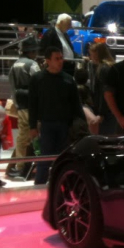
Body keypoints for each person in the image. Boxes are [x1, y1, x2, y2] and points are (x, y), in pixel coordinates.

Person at [28, 47, 85, 185]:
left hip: (65, 125)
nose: (60, 61)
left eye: (61, 58)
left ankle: (65, 186)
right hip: (46, 124)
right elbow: (32, 104)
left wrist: (82, 125)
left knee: (64, 159)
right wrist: (32, 126)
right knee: (44, 158)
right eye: (57, 59)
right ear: (48, 61)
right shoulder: (38, 79)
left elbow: (76, 104)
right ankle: (39, 187)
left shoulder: (68, 80)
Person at [5, 37, 41, 179]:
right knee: (27, 136)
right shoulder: (32, 64)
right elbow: (40, 83)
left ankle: (17, 166)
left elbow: (12, 87)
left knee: (23, 136)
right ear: (32, 51)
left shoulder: (15, 65)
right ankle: (22, 167)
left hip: (20, 105)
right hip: (31, 105)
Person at [88, 42, 117, 135]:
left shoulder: (102, 69)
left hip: (106, 112)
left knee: (105, 137)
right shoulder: (110, 66)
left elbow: (103, 93)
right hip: (112, 109)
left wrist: (101, 113)